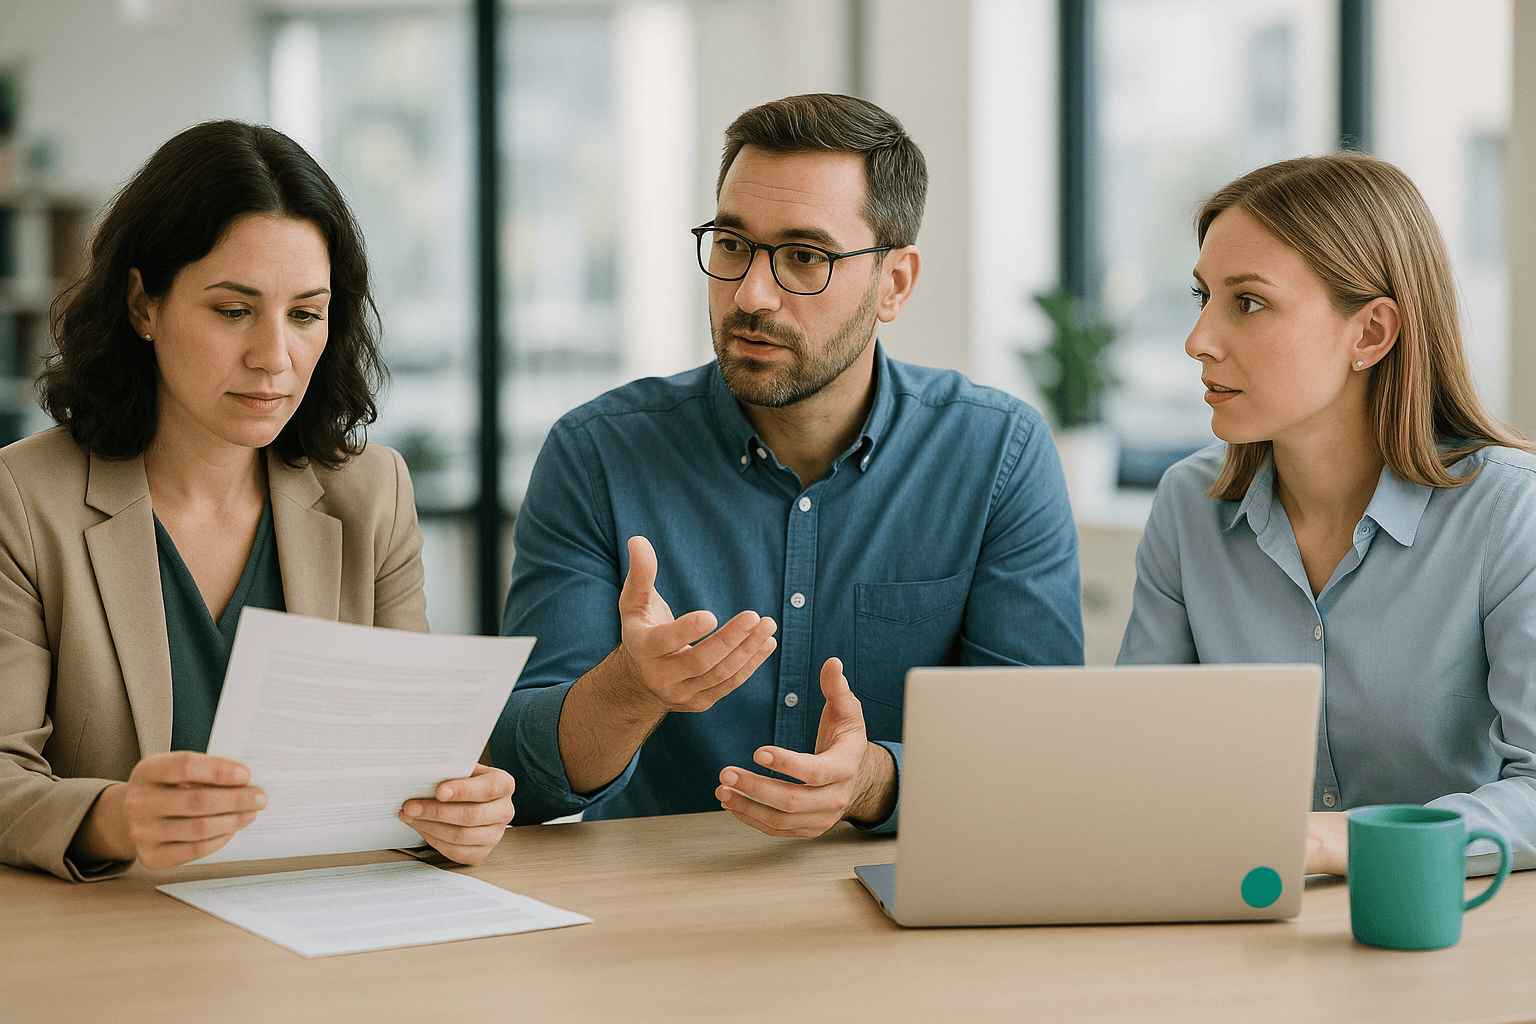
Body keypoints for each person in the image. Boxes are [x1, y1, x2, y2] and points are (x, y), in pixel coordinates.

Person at [493, 93, 1083, 837]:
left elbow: (1037, 755)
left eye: (804, 257)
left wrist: (873, 780)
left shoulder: (998, 455)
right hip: (652, 919)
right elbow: (520, 774)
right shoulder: (596, 454)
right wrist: (631, 688)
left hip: (892, 911)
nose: (752, 293)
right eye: (733, 244)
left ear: (894, 282)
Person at [0, 121, 514, 881]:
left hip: (316, 929)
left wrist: (459, 813)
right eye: (234, 310)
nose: (275, 357)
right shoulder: (22, 499)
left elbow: (412, 767)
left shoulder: (372, 494)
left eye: (305, 314)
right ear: (144, 305)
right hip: (118, 945)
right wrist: (116, 818)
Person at [1119, 152, 1536, 876]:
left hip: (1453, 936)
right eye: (1202, 298)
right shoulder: (1189, 506)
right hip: (1239, 924)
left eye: (1247, 302)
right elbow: (1136, 763)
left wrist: (1339, 842)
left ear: (1371, 334)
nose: (1198, 341)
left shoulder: (1511, 513)